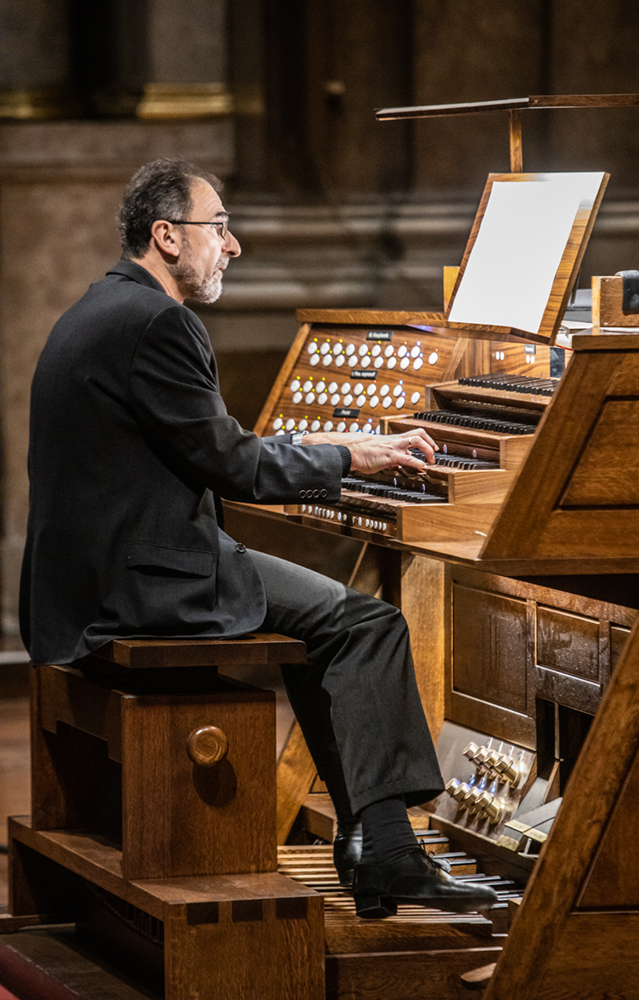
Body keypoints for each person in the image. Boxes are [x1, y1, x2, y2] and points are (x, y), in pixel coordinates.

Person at [20, 158, 497, 919]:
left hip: (91, 578)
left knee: (325, 622)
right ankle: (387, 850)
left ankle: (369, 843)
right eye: (220, 227)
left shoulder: (101, 308)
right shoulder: (160, 322)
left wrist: (320, 447)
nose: (233, 246)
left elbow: (207, 445)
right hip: (147, 582)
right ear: (167, 236)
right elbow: (233, 465)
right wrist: (351, 455)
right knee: (364, 624)